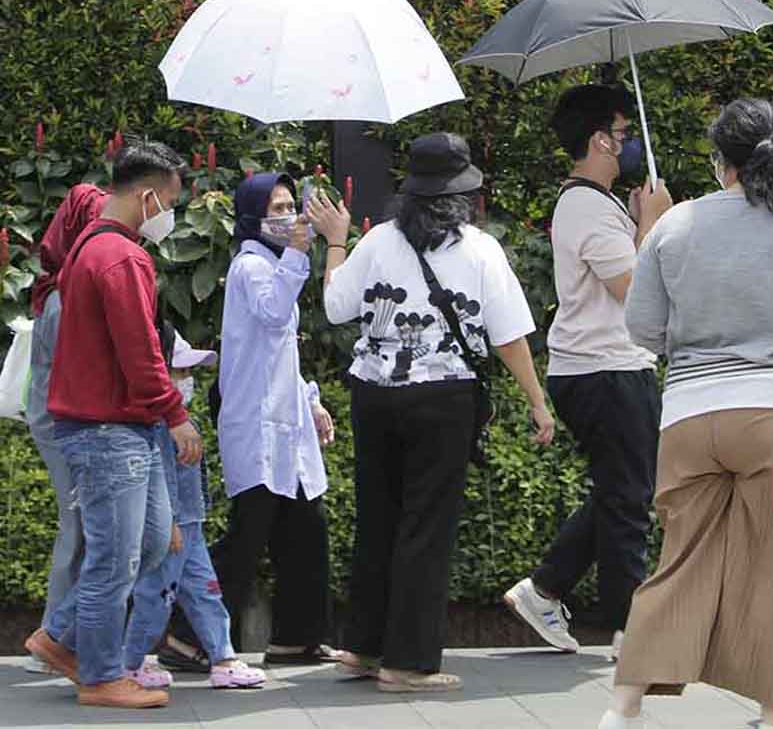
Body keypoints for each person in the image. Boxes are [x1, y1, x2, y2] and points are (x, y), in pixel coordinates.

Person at [599, 98, 773, 729]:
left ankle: (624, 705)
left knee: (681, 559)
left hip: (692, 415)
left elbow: (642, 327)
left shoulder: (676, 225)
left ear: (717, 158)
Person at [307, 131, 555, 693]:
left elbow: (336, 306)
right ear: (463, 194)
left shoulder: (377, 243)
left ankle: (364, 646)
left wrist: (337, 244)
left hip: (373, 394)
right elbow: (509, 335)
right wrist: (538, 402)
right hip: (443, 400)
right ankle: (408, 662)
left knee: (379, 517)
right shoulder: (480, 249)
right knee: (426, 527)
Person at [25, 140, 203, 709]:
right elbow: (141, 352)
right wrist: (175, 416)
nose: (168, 215)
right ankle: (101, 675)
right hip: (109, 429)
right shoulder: (122, 258)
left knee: (147, 544)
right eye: (169, 201)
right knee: (116, 556)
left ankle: (58, 636)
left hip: (117, 425)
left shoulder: (88, 249)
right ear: (147, 195)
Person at [503, 84, 672, 655]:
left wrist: (635, 219)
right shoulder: (584, 205)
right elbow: (634, 290)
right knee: (628, 499)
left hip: (603, 367)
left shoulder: (593, 204)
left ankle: (544, 589)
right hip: (606, 370)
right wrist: (651, 222)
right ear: (600, 140)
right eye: (624, 135)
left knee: (618, 490)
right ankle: (632, 628)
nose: (630, 146)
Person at [167, 172, 336, 668]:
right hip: (257, 425)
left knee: (307, 530)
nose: (286, 217)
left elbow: (282, 352)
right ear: (252, 215)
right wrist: (301, 255)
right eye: (276, 209)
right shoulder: (250, 266)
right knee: (248, 536)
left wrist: (312, 400)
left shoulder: (274, 263)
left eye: (289, 207)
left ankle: (296, 638)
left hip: (287, 421)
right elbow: (273, 314)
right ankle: (187, 635)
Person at [123, 330, 266, 690]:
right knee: (156, 598)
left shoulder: (181, 422)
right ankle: (130, 662)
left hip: (191, 528)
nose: (188, 380)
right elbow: (161, 482)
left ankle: (224, 659)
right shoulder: (159, 428)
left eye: (189, 373)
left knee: (206, 591)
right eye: (181, 371)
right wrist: (167, 523)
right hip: (173, 529)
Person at [25, 183, 108, 674]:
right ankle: (54, 639)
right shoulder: (62, 298)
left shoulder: (65, 288)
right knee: (78, 528)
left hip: (65, 425)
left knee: (84, 529)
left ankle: (62, 636)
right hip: (64, 430)